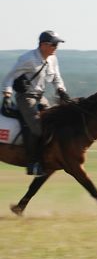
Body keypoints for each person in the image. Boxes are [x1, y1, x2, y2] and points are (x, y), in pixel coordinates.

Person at [2, 30, 71, 176]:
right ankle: (32, 162)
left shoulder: (53, 59)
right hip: (25, 97)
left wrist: (61, 90)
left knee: (54, 123)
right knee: (38, 128)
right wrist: (7, 94)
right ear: (43, 45)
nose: (56, 47)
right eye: (54, 44)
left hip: (40, 97)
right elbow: (10, 76)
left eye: (57, 44)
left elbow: (56, 78)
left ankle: (48, 157)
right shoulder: (27, 58)